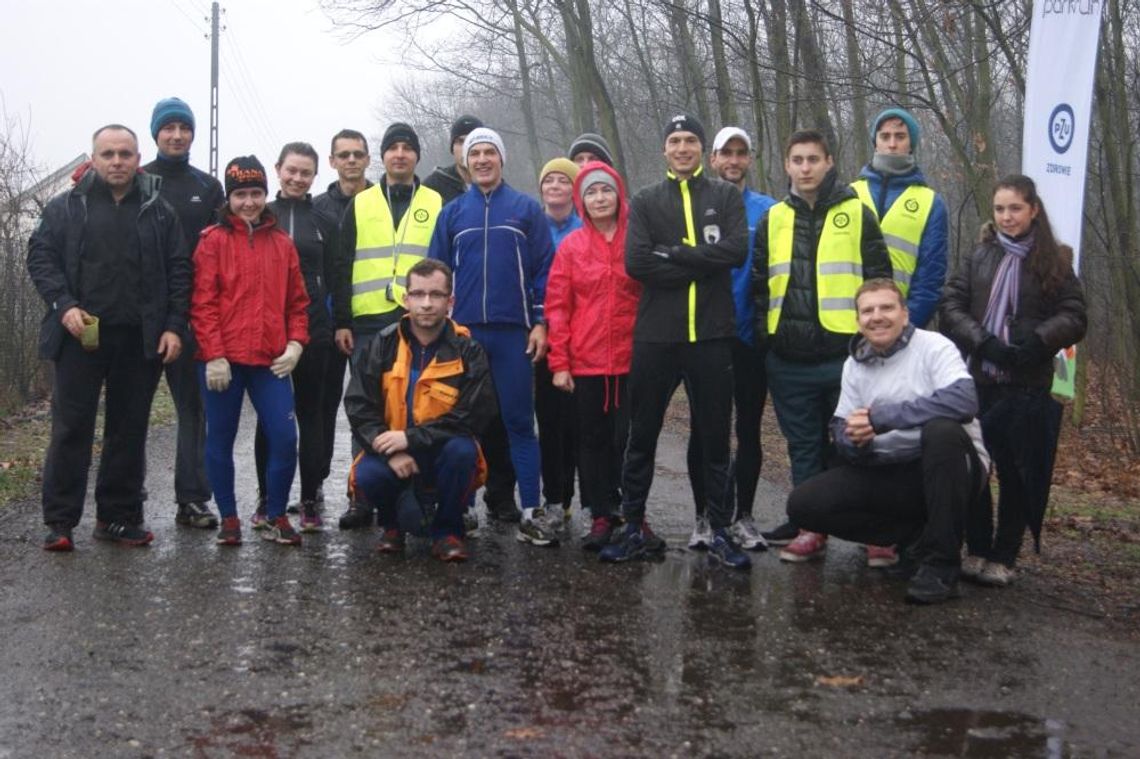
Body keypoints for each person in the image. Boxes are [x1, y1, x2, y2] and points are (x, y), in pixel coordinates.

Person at [601, 114, 751, 569]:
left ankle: (720, 530)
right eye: (674, 141)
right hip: (657, 336)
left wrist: (682, 253)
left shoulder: (724, 195)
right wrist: (705, 264)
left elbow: (737, 250)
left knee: (713, 437)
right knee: (641, 434)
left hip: (711, 335)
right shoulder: (646, 200)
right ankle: (633, 527)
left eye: (690, 141)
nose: (682, 148)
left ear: (702, 150)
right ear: (664, 150)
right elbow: (638, 264)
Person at [31, 124, 190, 551]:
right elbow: (41, 257)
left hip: (140, 340)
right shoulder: (66, 207)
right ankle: (61, 522)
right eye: (108, 154)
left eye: (125, 154)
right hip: (79, 337)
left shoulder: (160, 211)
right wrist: (63, 305)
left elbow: (179, 271)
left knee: (128, 430)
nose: (117, 161)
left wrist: (174, 326)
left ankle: (117, 517)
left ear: (138, 159)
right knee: (71, 429)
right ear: (94, 159)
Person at [785, 279, 990, 604]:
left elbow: (964, 401)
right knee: (803, 505)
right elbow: (841, 424)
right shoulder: (855, 363)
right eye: (868, 310)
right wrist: (853, 439)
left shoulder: (933, 346)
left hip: (951, 468)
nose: (877, 316)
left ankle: (942, 564)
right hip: (891, 469)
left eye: (886, 308)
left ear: (905, 314)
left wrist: (882, 419)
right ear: (858, 321)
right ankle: (914, 539)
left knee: (941, 431)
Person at [940, 174, 1087, 587]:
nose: (1007, 216)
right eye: (1000, 208)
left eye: (1015, 208)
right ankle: (977, 547)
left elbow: (1076, 314)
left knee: (1017, 471)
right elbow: (951, 304)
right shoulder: (980, 256)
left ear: (1033, 210)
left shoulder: (1055, 260)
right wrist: (981, 341)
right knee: (974, 466)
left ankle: (1005, 555)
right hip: (979, 380)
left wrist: (1040, 340)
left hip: (1028, 384)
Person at [752, 129, 891, 561]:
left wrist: (872, 342)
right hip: (788, 358)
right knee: (804, 448)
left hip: (845, 356)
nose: (806, 168)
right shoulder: (773, 218)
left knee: (856, 444)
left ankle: (875, 531)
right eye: (798, 160)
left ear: (829, 161)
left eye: (814, 159)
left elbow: (879, 278)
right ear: (787, 165)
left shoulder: (858, 212)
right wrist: (766, 337)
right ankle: (812, 528)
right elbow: (759, 286)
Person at [428, 127, 556, 545]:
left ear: (502, 159)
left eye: (490, 153)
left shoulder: (525, 209)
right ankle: (460, 507)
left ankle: (531, 510)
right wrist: (439, 326)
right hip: (463, 336)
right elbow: (436, 273)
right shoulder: (452, 213)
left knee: (519, 422)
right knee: (460, 424)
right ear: (465, 161)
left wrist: (540, 323)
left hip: (512, 334)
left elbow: (544, 273)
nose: (482, 160)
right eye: (475, 153)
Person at [191, 156, 310, 547]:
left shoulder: (282, 244)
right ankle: (229, 517)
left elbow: (297, 302)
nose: (249, 202)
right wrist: (213, 354)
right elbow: (202, 303)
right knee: (220, 439)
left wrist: (296, 343)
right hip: (223, 362)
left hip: (269, 361)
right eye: (240, 194)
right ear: (229, 198)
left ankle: (276, 514)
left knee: (284, 436)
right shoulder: (212, 242)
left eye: (255, 193)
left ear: (265, 194)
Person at [850, 108, 950, 567]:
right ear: (874, 142)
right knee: (853, 429)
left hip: (905, 336)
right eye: (884, 136)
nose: (891, 143)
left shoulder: (931, 202)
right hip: (853, 331)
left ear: (911, 144)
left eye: (899, 136)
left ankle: (895, 530)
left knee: (898, 431)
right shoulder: (849, 194)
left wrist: (907, 329)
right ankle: (853, 521)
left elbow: (931, 274)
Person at [345, 259, 495, 561]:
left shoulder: (469, 350)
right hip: (393, 449)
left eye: (436, 295)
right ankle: (392, 526)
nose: (426, 304)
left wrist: (410, 439)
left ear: (449, 301)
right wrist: (391, 449)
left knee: (463, 452)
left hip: (441, 449)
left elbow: (474, 415)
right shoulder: (382, 344)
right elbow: (359, 406)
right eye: (418, 294)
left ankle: (448, 531)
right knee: (366, 474)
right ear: (406, 299)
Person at [333, 122, 444, 529]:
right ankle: (362, 495)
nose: (400, 154)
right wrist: (342, 320)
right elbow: (342, 264)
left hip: (420, 320)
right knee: (366, 407)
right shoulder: (361, 203)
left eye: (407, 148)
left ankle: (425, 493)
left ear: (416, 155)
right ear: (382, 157)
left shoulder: (435, 200)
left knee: (421, 405)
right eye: (392, 147)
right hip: (366, 321)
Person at [684, 126, 777, 552]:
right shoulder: (693, 206)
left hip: (751, 337)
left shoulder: (770, 212)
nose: (734, 161)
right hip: (704, 336)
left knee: (749, 429)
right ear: (713, 158)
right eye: (726, 153)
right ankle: (705, 516)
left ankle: (744, 516)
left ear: (750, 159)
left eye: (742, 153)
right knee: (705, 429)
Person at [545, 162, 640, 550]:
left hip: (632, 360)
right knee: (591, 440)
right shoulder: (571, 246)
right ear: (582, 200)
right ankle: (599, 512)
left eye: (606, 190)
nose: (600, 198)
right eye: (591, 192)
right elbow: (558, 307)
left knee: (630, 439)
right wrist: (559, 364)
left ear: (619, 194)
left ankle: (632, 510)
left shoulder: (637, 239)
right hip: (585, 363)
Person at [142, 97, 225, 530]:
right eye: (168, 128)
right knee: (131, 411)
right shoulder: (136, 180)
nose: (176, 135)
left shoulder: (208, 188)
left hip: (192, 316)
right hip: (140, 316)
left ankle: (192, 499)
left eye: (184, 128)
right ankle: (126, 496)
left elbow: (221, 252)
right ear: (155, 133)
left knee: (194, 412)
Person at [248, 142, 338, 532]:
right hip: (268, 335)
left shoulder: (325, 221)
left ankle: (310, 496)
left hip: (314, 333)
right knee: (269, 420)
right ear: (278, 169)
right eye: (292, 171)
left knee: (312, 415)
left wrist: (338, 324)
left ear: (315, 177)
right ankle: (268, 497)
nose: (298, 178)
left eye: (306, 173)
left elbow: (337, 277)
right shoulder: (259, 216)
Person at [313, 128, 374, 509]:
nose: (351, 160)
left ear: (368, 159)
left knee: (371, 406)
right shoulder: (316, 208)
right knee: (323, 407)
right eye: (344, 154)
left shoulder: (381, 202)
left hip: (369, 320)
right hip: (326, 325)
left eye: (358, 154)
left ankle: (365, 489)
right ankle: (314, 484)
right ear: (332, 161)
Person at [536, 157, 583, 519]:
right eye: (548, 181)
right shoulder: (531, 227)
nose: (555, 186)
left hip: (580, 340)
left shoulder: (585, 229)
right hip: (540, 338)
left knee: (575, 424)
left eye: (562, 181)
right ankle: (553, 495)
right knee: (547, 422)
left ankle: (573, 495)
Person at [423, 115, 483, 205]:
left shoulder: (494, 186)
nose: (466, 148)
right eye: (460, 142)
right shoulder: (433, 186)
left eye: (472, 141)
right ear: (452, 148)